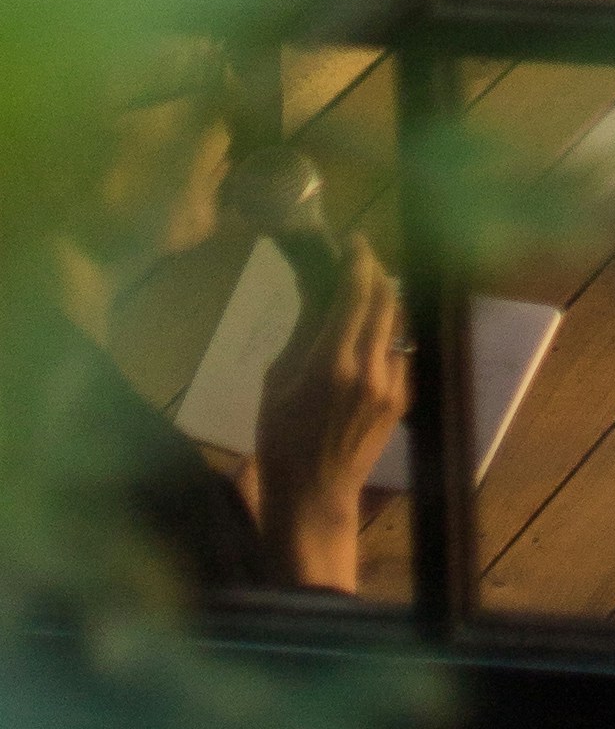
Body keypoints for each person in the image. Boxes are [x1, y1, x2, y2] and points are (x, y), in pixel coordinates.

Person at [49, 81, 407, 597]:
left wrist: (226, 537)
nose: (227, 104)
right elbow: (297, 656)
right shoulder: (119, 484)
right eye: (187, 64)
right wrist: (319, 506)